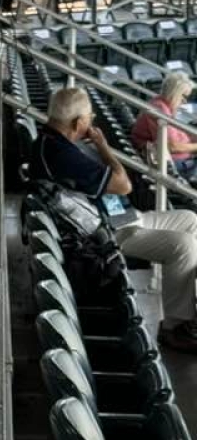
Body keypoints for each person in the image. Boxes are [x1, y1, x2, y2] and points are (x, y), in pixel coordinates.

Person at [30, 87, 197, 352]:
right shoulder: (63, 153)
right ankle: (175, 327)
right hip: (107, 234)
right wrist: (104, 147)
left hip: (118, 217)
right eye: (90, 118)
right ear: (78, 123)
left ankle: (188, 309)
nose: (92, 123)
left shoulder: (49, 141)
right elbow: (124, 185)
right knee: (183, 245)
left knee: (190, 219)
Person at [131, 72, 197, 179]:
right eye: (183, 96)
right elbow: (172, 146)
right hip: (178, 163)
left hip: (181, 158)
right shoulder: (160, 109)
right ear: (174, 92)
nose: (184, 102)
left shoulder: (162, 104)